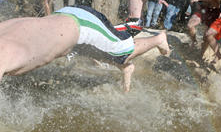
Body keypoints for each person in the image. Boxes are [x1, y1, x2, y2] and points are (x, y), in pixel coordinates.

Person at [0, 5, 170, 93]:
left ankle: (157, 39)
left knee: (122, 51)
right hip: (65, 19)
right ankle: (124, 67)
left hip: (83, 25)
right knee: (86, 49)